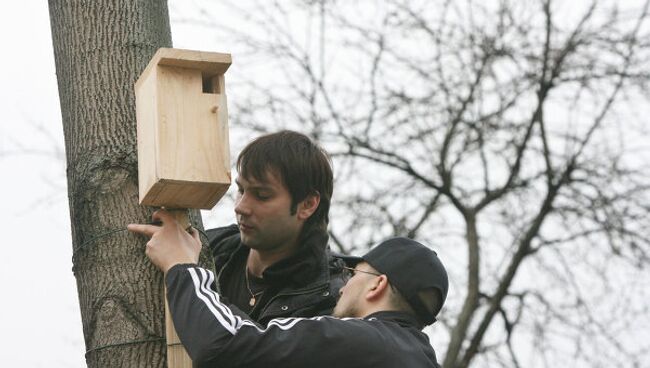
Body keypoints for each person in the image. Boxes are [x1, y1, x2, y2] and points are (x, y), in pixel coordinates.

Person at [128, 209, 449, 368]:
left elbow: (226, 344)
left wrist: (181, 266)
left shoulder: (363, 341)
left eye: (354, 273)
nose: (342, 286)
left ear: (377, 285)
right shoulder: (415, 357)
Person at [204, 131, 345, 323]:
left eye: (262, 195)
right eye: (241, 190)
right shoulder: (209, 248)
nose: (240, 207)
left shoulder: (333, 299)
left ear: (307, 205)